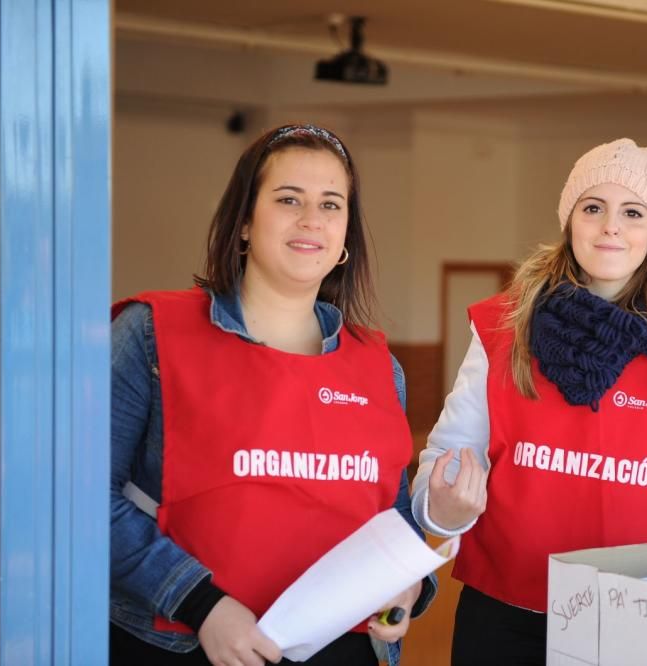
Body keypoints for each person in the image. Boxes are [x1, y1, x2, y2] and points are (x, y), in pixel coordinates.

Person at [110, 124, 436, 666]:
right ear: (243, 222)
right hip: (189, 642)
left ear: (345, 236)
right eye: (289, 199)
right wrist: (201, 604)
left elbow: (392, 520)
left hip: (341, 651)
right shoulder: (151, 334)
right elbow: (80, 499)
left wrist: (407, 589)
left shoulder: (381, 367)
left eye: (331, 205)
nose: (312, 220)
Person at [411, 138, 647, 665]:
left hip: (640, 616)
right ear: (570, 222)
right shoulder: (504, 325)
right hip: (504, 618)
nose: (611, 226)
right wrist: (442, 511)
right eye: (594, 208)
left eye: (633, 212)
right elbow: (441, 469)